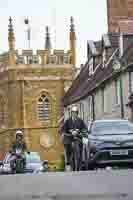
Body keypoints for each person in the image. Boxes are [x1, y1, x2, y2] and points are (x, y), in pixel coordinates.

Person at [60, 105, 88, 171]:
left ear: (77, 113)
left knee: (82, 146)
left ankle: (81, 161)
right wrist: (64, 132)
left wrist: (83, 131)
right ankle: (68, 162)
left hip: (78, 137)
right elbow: (63, 129)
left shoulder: (80, 120)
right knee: (67, 146)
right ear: (71, 113)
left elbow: (84, 128)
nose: (74, 113)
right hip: (69, 137)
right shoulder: (68, 121)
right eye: (73, 112)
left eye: (75, 112)